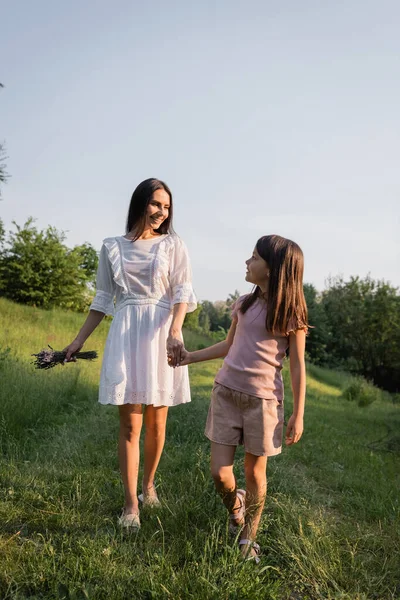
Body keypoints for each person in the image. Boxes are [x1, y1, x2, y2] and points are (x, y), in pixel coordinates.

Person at [64, 178, 196, 530]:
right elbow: (102, 300)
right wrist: (77, 341)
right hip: (125, 333)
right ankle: (129, 505)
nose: (161, 212)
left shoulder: (173, 244)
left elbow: (182, 291)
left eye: (166, 207)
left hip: (161, 333)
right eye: (156, 204)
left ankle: (148, 485)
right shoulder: (111, 247)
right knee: (129, 424)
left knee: (157, 421)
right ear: (140, 203)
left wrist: (174, 330)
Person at [174, 234, 307, 562]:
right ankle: (236, 507)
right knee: (220, 472)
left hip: (263, 403)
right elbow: (228, 345)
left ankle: (248, 539)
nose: (247, 263)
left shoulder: (291, 314)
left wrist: (298, 414)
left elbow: (298, 367)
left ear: (273, 269)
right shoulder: (243, 305)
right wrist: (188, 357)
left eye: (254, 258)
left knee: (255, 474)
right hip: (226, 395)